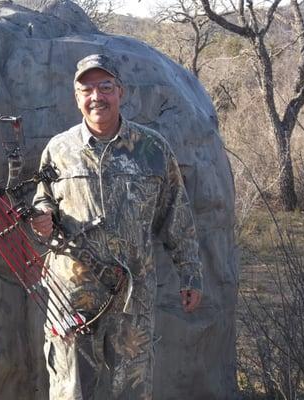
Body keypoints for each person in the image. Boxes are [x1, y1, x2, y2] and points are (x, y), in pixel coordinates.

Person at [31, 54, 203, 399]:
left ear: (120, 92)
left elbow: (177, 215)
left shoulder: (152, 149)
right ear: (76, 97)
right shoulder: (59, 150)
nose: (97, 97)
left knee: (132, 389)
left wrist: (191, 275)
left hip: (131, 298)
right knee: (71, 389)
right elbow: (43, 199)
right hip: (72, 298)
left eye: (105, 87)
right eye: (87, 89)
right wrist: (42, 219)